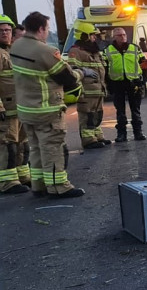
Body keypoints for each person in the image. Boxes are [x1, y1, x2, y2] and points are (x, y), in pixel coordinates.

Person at [9, 11, 87, 198]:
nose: (47, 32)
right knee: (52, 148)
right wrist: (81, 73)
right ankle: (58, 186)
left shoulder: (16, 46)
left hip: (26, 110)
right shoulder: (45, 51)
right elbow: (67, 78)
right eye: (47, 28)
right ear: (42, 29)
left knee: (36, 148)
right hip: (47, 110)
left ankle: (39, 185)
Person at [67, 22, 110, 149]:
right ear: (84, 36)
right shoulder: (75, 51)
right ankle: (88, 140)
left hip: (98, 90)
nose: (94, 38)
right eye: (92, 35)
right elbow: (72, 69)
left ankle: (97, 136)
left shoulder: (95, 51)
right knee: (87, 115)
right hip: (87, 91)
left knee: (97, 114)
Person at [0, 13, 28, 194]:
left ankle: (21, 175)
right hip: (6, 109)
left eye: (8, 30)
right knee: (7, 144)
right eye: (1, 30)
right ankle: (7, 182)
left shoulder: (11, 53)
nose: (5, 33)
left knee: (21, 143)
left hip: (20, 107)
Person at [105, 27, 146, 142]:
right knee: (120, 111)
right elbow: (104, 68)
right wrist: (108, 84)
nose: (123, 37)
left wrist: (143, 81)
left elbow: (144, 64)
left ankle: (138, 132)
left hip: (134, 83)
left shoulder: (134, 48)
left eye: (124, 35)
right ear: (114, 37)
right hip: (117, 83)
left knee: (135, 109)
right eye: (119, 35)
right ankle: (121, 134)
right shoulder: (107, 50)